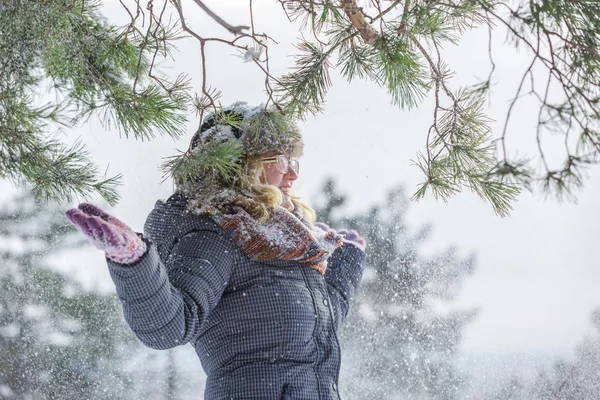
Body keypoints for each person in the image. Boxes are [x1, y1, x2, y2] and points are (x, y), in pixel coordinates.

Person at [65, 102, 366, 400]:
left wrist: (345, 266)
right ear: (244, 168)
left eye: (293, 161)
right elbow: (170, 326)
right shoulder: (217, 236)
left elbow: (311, 331)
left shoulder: (287, 241)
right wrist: (133, 261)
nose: (292, 175)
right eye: (280, 161)